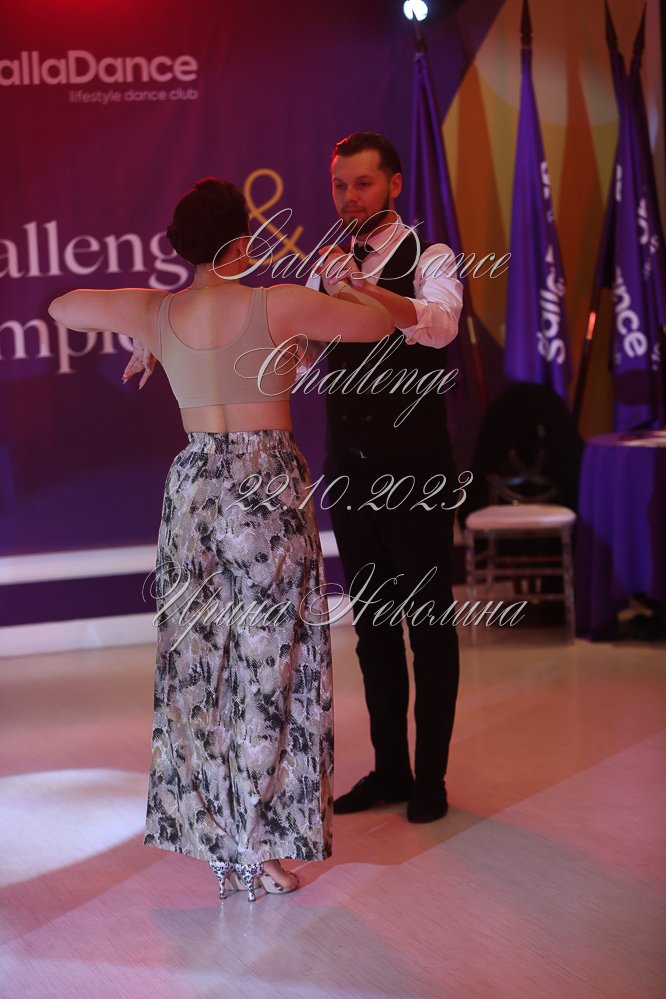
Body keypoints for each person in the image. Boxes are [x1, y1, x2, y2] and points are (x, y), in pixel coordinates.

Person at [48, 177, 393, 901]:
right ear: (242, 240)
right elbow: (375, 324)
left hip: (195, 486)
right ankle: (260, 847)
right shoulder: (276, 302)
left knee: (200, 668)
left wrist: (149, 332)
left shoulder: (160, 309)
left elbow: (63, 305)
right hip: (265, 486)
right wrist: (346, 281)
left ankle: (220, 842)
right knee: (271, 670)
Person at [305, 132, 464, 823]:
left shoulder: (431, 256)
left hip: (417, 471)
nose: (349, 197)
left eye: (362, 184)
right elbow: (300, 344)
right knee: (373, 627)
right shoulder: (326, 262)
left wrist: (366, 289)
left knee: (427, 625)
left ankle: (431, 777)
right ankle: (390, 769)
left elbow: (439, 325)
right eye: (340, 185)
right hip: (351, 471)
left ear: (394, 184)